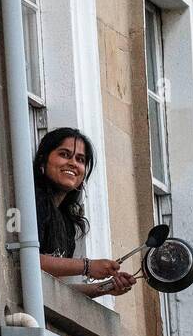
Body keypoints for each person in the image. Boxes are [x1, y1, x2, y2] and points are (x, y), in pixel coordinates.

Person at [34, 127, 136, 298]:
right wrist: (87, 266)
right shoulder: (34, 200)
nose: (73, 163)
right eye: (64, 154)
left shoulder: (67, 223)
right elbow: (27, 261)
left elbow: (55, 290)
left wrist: (105, 288)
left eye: (80, 159)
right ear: (43, 161)